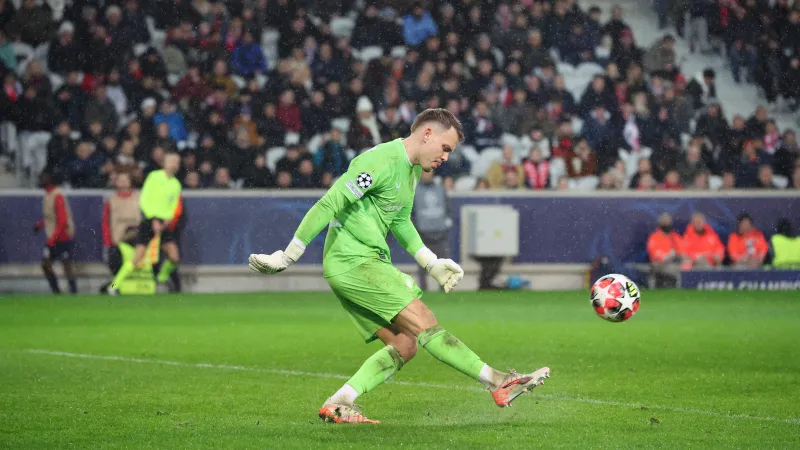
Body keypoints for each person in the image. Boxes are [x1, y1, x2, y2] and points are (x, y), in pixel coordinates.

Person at [248, 109, 550, 424]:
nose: (446, 157)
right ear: (427, 134)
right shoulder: (378, 162)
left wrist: (431, 262)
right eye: (445, 148)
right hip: (353, 262)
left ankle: (339, 402)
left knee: (404, 344)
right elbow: (329, 203)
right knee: (425, 320)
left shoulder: (412, 170)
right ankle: (497, 382)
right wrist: (287, 256)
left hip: (361, 263)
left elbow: (400, 220)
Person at [108, 153, 182, 295]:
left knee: (174, 257)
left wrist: (166, 222)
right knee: (138, 257)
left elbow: (173, 207)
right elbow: (145, 200)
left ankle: (161, 279)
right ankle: (113, 286)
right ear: (164, 163)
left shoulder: (176, 184)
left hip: (164, 224)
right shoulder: (154, 177)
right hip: (149, 221)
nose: (174, 164)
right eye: (172, 161)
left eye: (176, 162)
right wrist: (153, 219)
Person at [33, 172, 77, 294]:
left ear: (50, 179)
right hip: (54, 236)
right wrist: (40, 225)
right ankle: (56, 290)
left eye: (43, 178)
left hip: (62, 237)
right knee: (46, 263)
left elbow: (62, 220)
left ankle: (73, 291)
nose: (41, 180)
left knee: (65, 264)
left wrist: (53, 238)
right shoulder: (48, 195)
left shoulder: (57, 195)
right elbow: (50, 217)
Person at [100, 172, 141, 293]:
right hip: (118, 239)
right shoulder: (111, 201)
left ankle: (115, 287)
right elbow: (106, 222)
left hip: (137, 237)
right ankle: (115, 287)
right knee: (117, 264)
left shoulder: (139, 197)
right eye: (120, 180)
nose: (123, 182)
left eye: (125, 179)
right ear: (116, 182)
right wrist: (108, 241)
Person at [412, 169, 452, 291]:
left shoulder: (440, 189)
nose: (427, 174)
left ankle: (444, 288)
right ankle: (423, 288)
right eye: (424, 172)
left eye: (429, 172)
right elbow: (411, 212)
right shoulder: (414, 191)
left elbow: (447, 207)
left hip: (440, 232)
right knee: (423, 264)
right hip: (423, 233)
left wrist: (447, 223)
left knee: (443, 263)